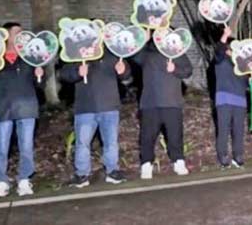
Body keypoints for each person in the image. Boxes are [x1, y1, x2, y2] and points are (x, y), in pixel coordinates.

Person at [0, 22, 44, 199]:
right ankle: (1, 181)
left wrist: (39, 75)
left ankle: (24, 179)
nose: (21, 36)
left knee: (26, 146)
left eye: (22, 32)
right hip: (2, 109)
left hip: (27, 108)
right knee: (1, 147)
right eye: (17, 33)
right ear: (6, 36)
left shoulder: (30, 56)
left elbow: (39, 86)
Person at [61, 50, 131, 188]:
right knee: (82, 143)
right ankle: (82, 174)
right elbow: (64, 74)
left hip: (109, 105)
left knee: (111, 141)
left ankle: (113, 171)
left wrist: (123, 71)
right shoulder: (76, 53)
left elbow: (126, 74)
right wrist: (77, 72)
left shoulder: (112, 52)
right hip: (85, 107)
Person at [133, 31, 193, 179]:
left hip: (172, 102)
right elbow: (134, 56)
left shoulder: (176, 52)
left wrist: (175, 69)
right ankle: (146, 164)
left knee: (175, 135)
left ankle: (178, 160)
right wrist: (143, 40)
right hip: (150, 103)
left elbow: (188, 71)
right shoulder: (148, 53)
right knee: (147, 136)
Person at [214, 26, 248, 170]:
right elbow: (218, 51)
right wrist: (224, 36)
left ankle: (238, 156)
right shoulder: (221, 60)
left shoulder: (241, 65)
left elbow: (246, 82)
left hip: (240, 100)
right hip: (224, 99)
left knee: (239, 130)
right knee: (223, 129)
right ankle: (223, 157)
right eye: (233, 48)